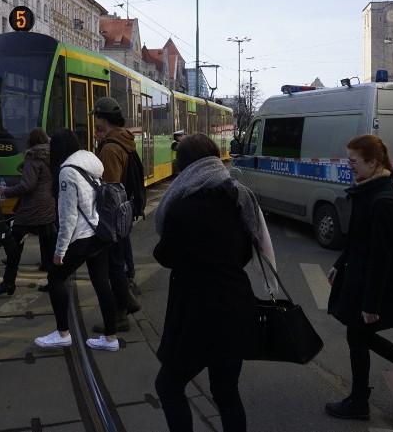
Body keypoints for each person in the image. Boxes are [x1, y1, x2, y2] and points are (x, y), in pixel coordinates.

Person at [153, 132, 275, 432]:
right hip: (236, 308)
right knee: (226, 393)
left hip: (195, 313)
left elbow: (165, 255)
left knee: (168, 386)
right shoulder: (240, 197)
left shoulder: (182, 207)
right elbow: (249, 250)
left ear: (184, 165)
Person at [324, 134, 393, 420]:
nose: (349, 166)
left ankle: (361, 401)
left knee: (359, 337)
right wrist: (340, 262)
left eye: (354, 161)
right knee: (360, 337)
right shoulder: (370, 188)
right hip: (359, 274)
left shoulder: (381, 198)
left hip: (369, 284)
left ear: (372, 162)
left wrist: (371, 303)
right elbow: (360, 239)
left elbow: (381, 255)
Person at [33, 128, 119, 352]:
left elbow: (68, 215)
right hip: (99, 232)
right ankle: (111, 338)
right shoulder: (90, 162)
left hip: (83, 236)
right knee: (102, 284)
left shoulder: (67, 172)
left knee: (55, 279)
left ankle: (63, 333)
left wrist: (60, 251)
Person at [0, 127, 57, 295]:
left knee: (14, 246)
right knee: (50, 247)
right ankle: (54, 282)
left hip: (31, 209)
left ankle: (8, 283)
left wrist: (7, 191)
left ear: (30, 141)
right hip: (48, 206)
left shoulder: (33, 158)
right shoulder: (52, 156)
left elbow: (28, 185)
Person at [89, 97, 136, 332]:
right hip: (124, 212)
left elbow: (109, 187)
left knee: (114, 267)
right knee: (117, 264)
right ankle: (127, 303)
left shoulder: (110, 148)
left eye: (95, 118)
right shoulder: (124, 141)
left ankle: (120, 315)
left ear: (101, 118)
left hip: (112, 216)